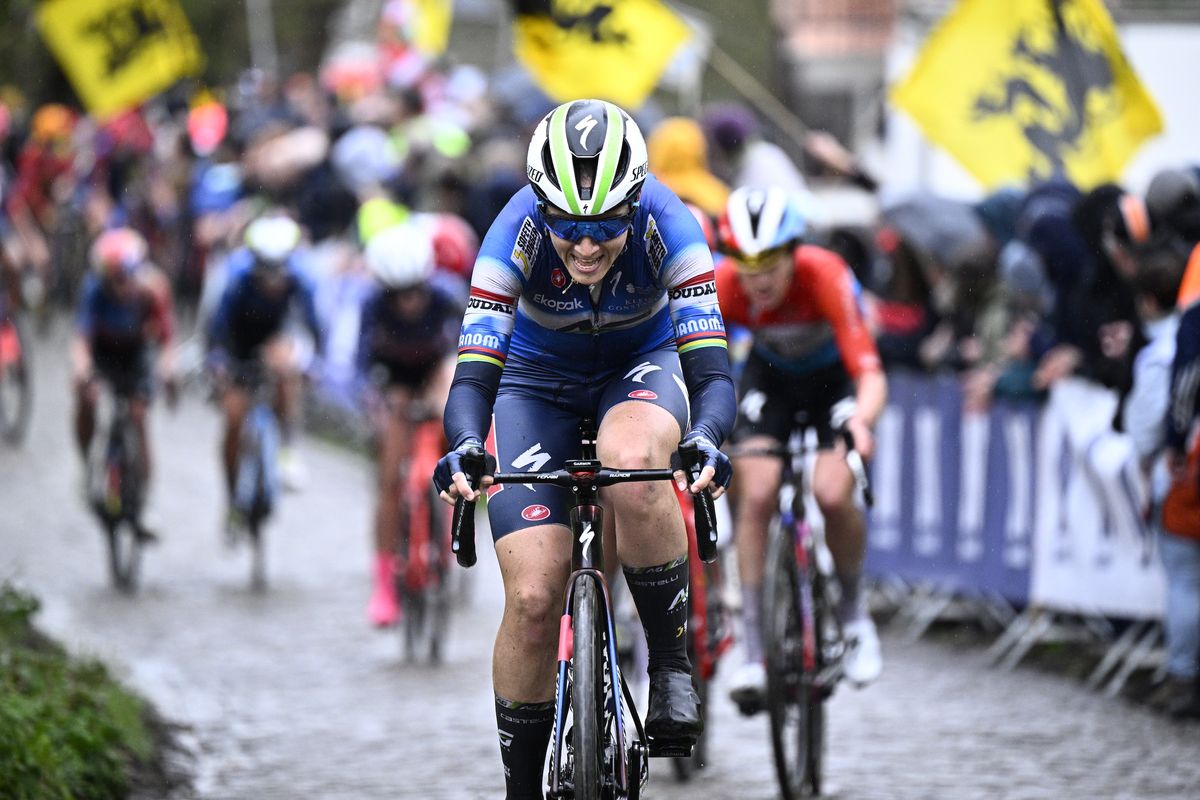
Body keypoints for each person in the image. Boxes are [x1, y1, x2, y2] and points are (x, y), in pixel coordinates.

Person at [432, 98, 736, 799]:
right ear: (542, 210)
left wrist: (707, 438)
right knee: (536, 597)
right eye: (568, 227)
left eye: (604, 227)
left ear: (634, 207)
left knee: (634, 464)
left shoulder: (672, 227)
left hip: (642, 365)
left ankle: (670, 667)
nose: (587, 246)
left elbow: (712, 371)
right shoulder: (512, 235)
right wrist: (468, 445)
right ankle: (520, 789)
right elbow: (474, 375)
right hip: (537, 383)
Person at [713, 186, 888, 708]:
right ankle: (751, 647)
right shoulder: (726, 285)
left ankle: (856, 616)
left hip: (836, 384)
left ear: (793, 252)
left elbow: (869, 370)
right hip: (772, 383)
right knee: (758, 492)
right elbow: (702, 367)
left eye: (769, 261)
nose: (757, 276)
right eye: (745, 261)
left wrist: (862, 422)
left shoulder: (824, 273)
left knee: (833, 492)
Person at [358, 221, 463, 627]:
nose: (409, 302)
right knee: (389, 480)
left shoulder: (446, 297)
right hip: (395, 382)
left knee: (448, 391)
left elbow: (467, 351)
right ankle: (384, 585)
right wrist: (374, 404)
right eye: (398, 295)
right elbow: (358, 366)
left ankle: (450, 518)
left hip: (434, 372)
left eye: (416, 291)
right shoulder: (371, 307)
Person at [207, 213, 323, 536]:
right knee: (233, 420)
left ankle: (286, 448)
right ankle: (231, 500)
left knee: (286, 370)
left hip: (275, 339)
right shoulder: (235, 277)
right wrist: (217, 364)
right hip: (238, 344)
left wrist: (314, 363)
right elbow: (216, 330)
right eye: (265, 270)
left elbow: (313, 326)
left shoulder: (301, 278)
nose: (272, 279)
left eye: (279, 269)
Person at [71, 227, 176, 523]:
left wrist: (167, 370)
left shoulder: (154, 290)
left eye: (124, 276)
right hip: (103, 352)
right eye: (112, 278)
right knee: (85, 396)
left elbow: (167, 340)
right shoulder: (93, 289)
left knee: (140, 418)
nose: (120, 285)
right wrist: (82, 369)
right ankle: (87, 460)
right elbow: (81, 339)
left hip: (136, 355)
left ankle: (145, 496)